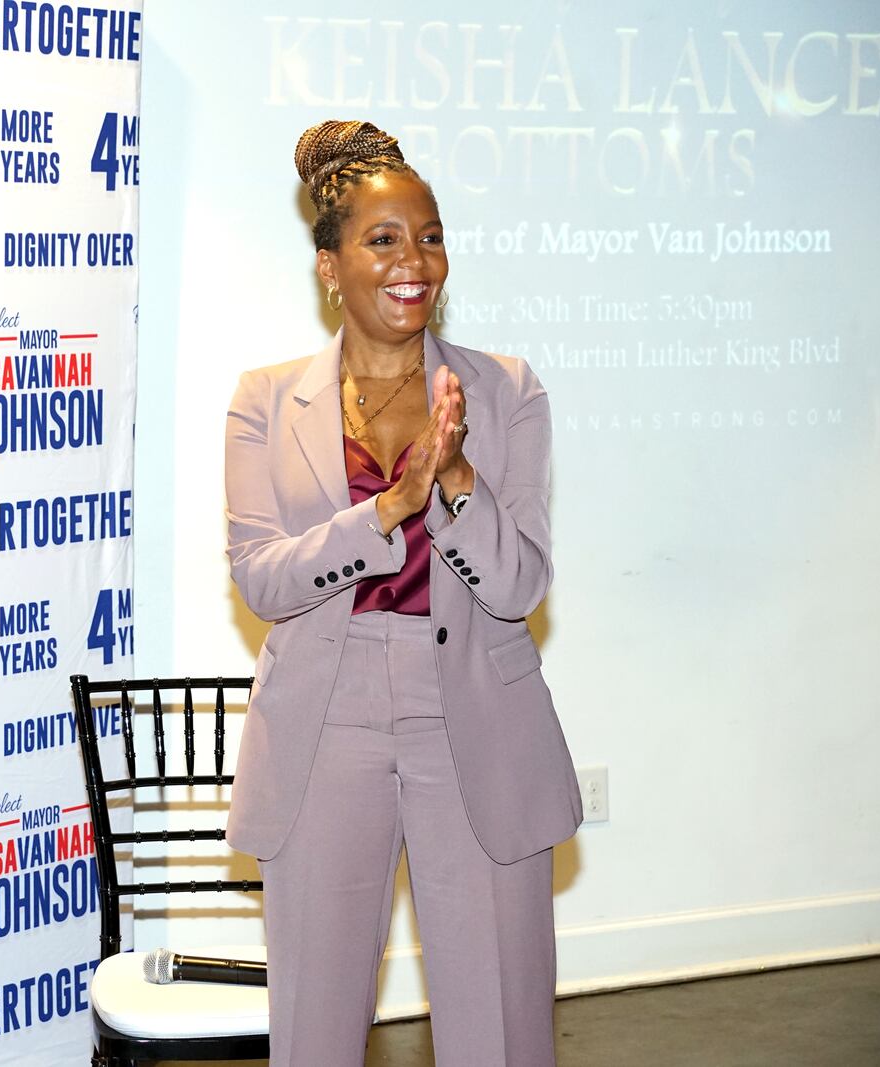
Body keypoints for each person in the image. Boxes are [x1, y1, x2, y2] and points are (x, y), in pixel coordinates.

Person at [223, 119, 582, 1065]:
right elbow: (261, 575)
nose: (413, 260)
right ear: (329, 265)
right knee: (316, 1027)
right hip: (324, 717)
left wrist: (456, 482)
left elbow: (519, 584)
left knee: (499, 1025)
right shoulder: (264, 400)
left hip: (475, 713)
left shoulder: (506, 391)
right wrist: (387, 512)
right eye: (383, 239)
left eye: (429, 235)